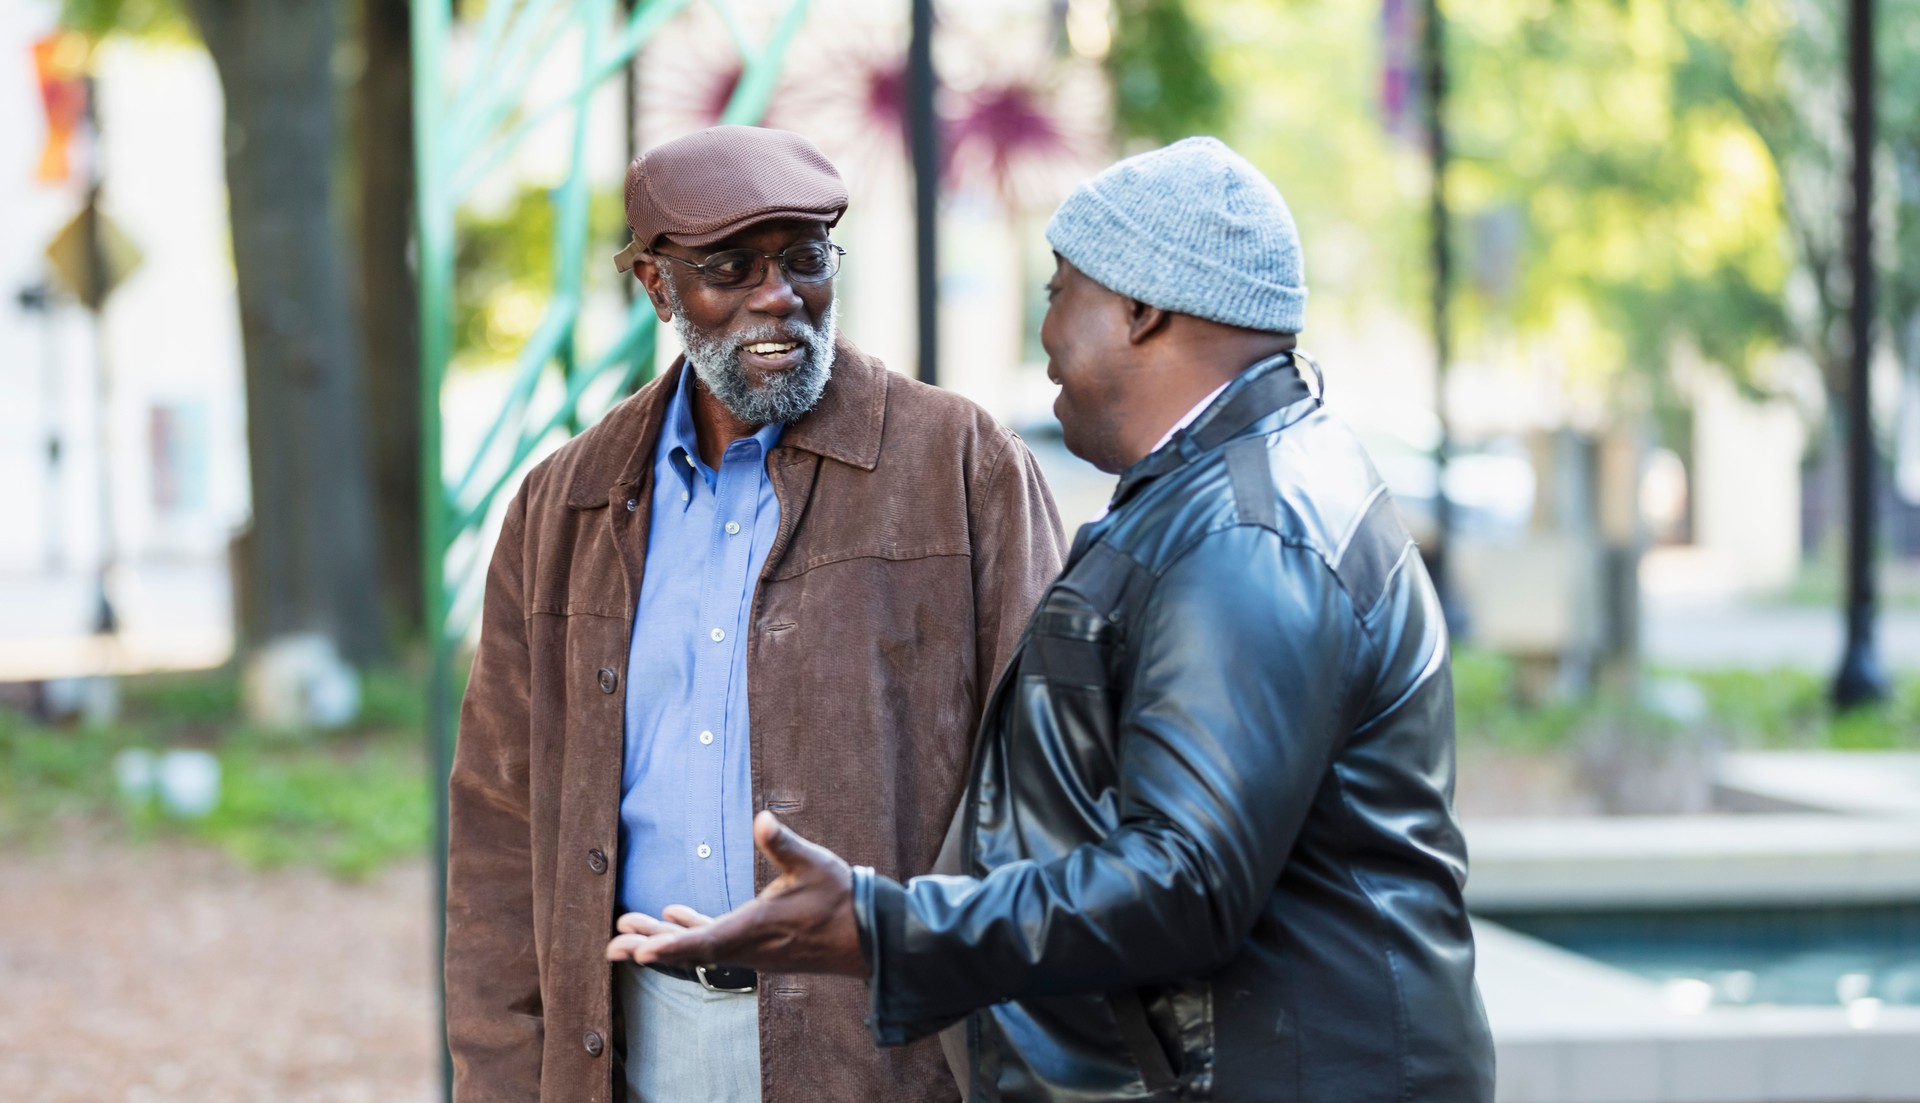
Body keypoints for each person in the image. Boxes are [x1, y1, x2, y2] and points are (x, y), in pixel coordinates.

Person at [607, 136, 1497, 1103]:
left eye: (1058, 292)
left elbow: (1187, 879)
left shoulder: (1248, 532)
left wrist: (878, 926)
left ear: (1141, 307)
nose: (1045, 338)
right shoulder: (1235, 487)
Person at [446, 125, 1064, 1103]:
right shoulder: (564, 504)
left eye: (805, 259)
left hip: (890, 1053)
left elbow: (1050, 793)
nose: (778, 296)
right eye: (730, 269)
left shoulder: (963, 465)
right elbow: (497, 825)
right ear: (655, 285)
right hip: (633, 1041)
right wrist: (503, 1075)